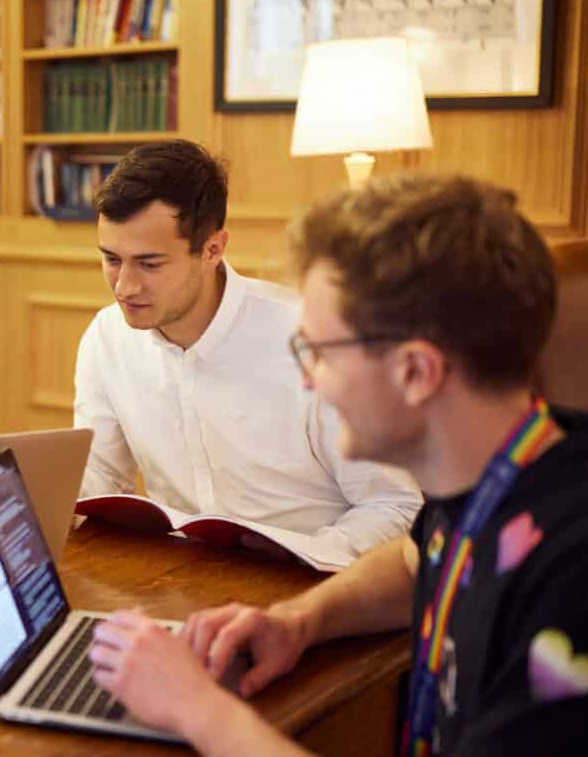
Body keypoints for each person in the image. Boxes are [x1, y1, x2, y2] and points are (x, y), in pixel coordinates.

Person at [89, 175, 588, 757]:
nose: (306, 377)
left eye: (319, 351)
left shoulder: (587, 571)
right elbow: (417, 560)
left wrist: (198, 709)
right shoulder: (516, 469)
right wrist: (300, 622)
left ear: (416, 372)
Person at [74, 139, 419, 564]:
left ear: (213, 249)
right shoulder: (106, 338)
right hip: (179, 579)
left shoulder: (312, 338)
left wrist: (309, 555)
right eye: (111, 259)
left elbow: (396, 505)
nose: (125, 286)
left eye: (149, 264)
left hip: (313, 581)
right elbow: (102, 480)